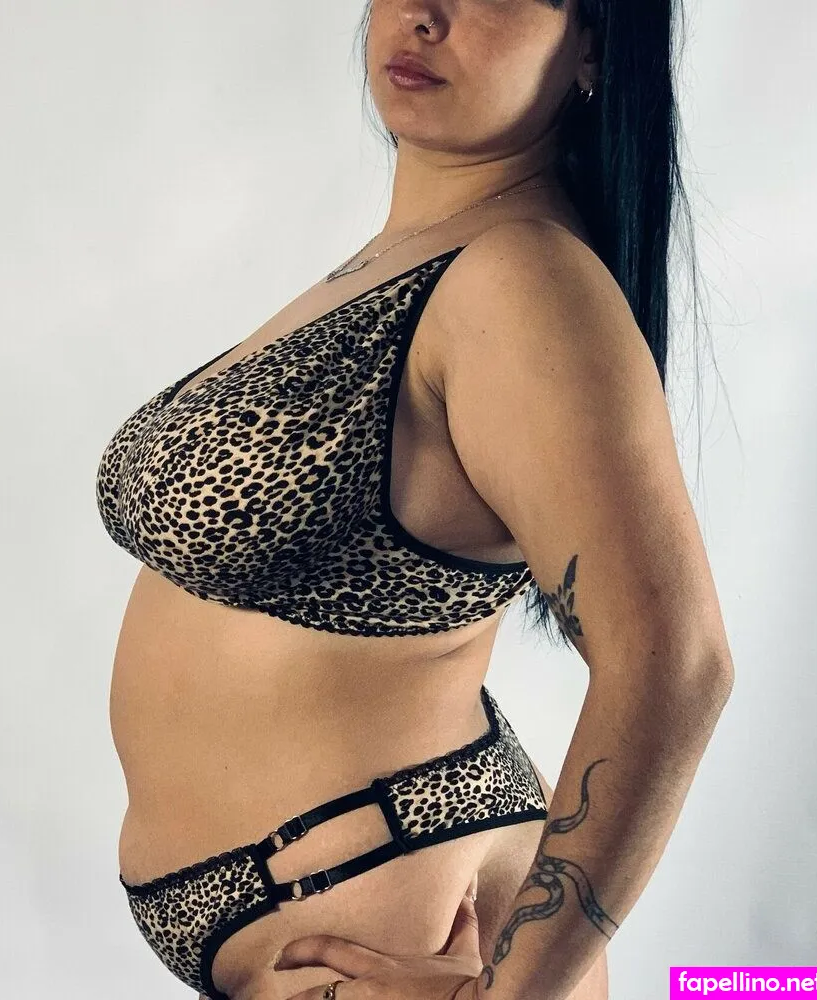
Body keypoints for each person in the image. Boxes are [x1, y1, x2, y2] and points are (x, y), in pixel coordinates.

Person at [96, 2, 734, 1000]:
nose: (424, 13)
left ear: (594, 46)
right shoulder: (413, 256)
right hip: (330, 882)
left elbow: (678, 666)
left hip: (381, 904)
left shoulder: (521, 279)